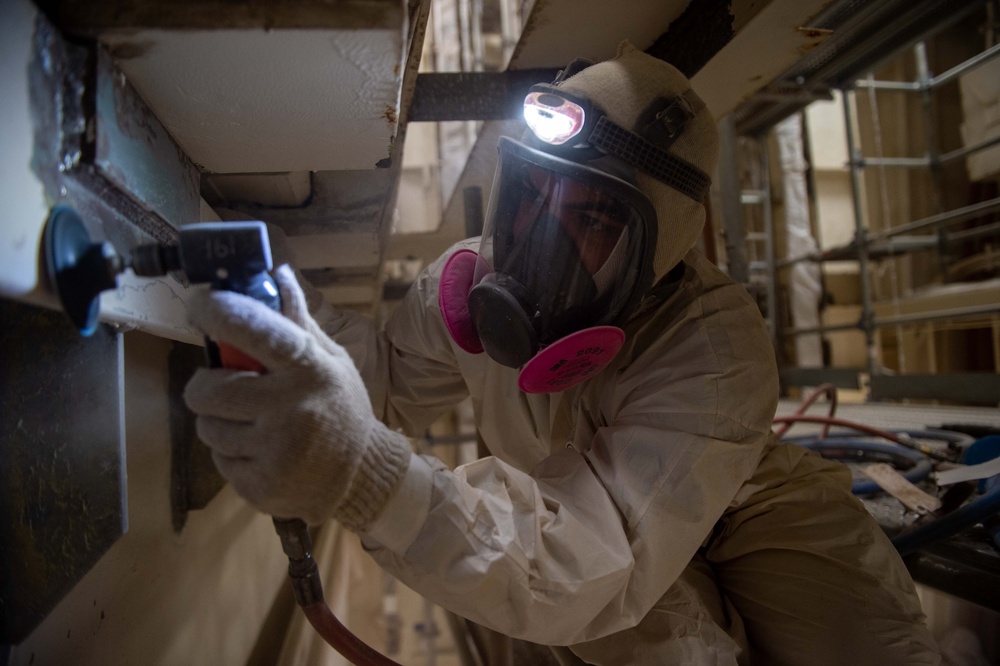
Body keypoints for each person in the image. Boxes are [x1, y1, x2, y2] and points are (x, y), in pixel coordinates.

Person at [183, 42, 940, 665]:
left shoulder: (711, 348)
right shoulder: (468, 284)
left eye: (594, 218)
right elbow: (382, 387)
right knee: (640, 642)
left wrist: (367, 479)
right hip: (604, 530)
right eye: (533, 193)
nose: (543, 236)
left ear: (663, 242)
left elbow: (578, 567)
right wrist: (289, 311)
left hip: (754, 512)